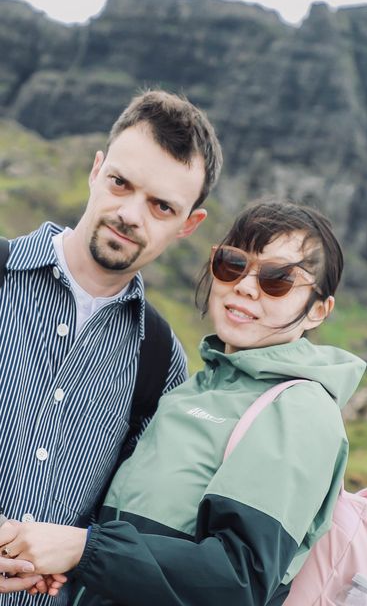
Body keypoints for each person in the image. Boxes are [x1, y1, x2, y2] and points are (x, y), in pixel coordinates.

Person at [0, 200, 366, 606]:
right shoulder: (193, 390)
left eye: (277, 279)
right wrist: (63, 558)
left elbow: (239, 579)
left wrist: (85, 550)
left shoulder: (299, 409)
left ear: (318, 310)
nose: (245, 285)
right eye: (232, 264)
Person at [0, 90, 223, 603]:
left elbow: (138, 526)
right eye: (121, 183)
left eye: (161, 206)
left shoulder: (161, 361)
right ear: (96, 170)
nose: (130, 214)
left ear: (188, 224)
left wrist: (82, 550)